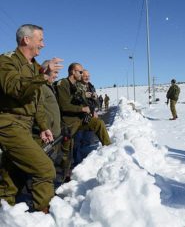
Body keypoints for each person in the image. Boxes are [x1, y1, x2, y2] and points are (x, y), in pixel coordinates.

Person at [0, 24, 63, 213]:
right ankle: (41, 215)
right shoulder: (7, 61)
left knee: (12, 175)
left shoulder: (34, 67)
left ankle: (5, 210)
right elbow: (15, 87)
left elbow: (37, 102)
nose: (43, 45)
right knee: (44, 168)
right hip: (9, 124)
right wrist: (42, 77)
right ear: (26, 40)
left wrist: (43, 126)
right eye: (40, 39)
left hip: (25, 125)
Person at [55, 63, 111, 181]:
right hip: (69, 122)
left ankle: (109, 149)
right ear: (72, 72)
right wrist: (82, 109)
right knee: (67, 151)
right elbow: (64, 105)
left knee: (98, 123)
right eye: (80, 72)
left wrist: (90, 107)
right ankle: (64, 177)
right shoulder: (63, 84)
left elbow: (84, 102)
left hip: (81, 120)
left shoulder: (79, 86)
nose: (82, 74)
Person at [73, 69, 99, 166]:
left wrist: (95, 99)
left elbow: (96, 104)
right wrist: (84, 95)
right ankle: (76, 166)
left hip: (90, 118)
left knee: (88, 142)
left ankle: (86, 165)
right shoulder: (76, 86)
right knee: (77, 143)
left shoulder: (91, 87)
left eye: (88, 76)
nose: (87, 77)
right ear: (81, 76)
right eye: (85, 76)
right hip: (79, 118)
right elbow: (74, 100)